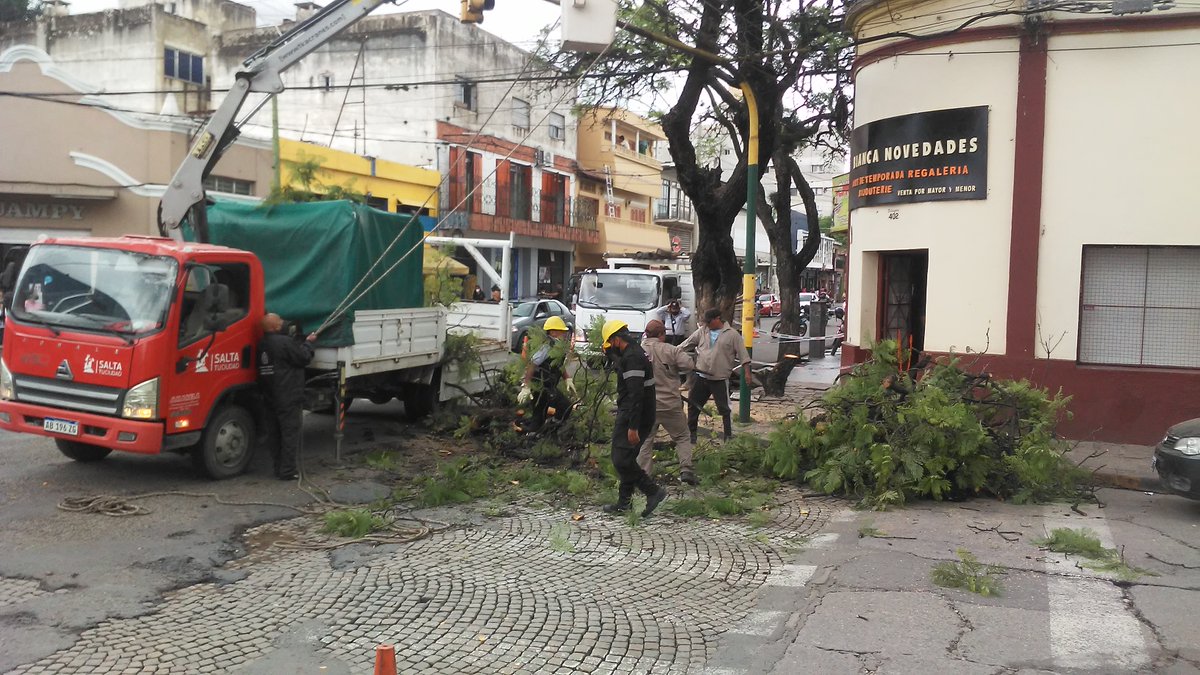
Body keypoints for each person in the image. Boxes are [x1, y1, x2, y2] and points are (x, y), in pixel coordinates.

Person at [599, 319, 668, 517]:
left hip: (634, 414)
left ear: (616, 340)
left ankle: (653, 491)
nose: (611, 348)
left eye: (610, 345)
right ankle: (624, 503)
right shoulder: (633, 353)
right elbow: (625, 371)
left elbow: (636, 394)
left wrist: (633, 426)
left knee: (620, 459)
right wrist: (611, 356)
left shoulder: (633, 358)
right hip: (638, 413)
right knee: (627, 458)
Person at [637, 320, 698, 484]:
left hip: (647, 405)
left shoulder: (638, 351)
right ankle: (686, 470)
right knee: (683, 436)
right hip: (670, 403)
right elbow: (689, 365)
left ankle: (644, 476)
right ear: (662, 334)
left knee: (646, 440)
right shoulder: (671, 350)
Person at [258, 313, 316, 480]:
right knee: (289, 433)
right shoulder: (284, 342)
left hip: (270, 395)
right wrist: (308, 343)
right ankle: (288, 471)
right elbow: (303, 358)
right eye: (281, 321)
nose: (283, 323)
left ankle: (278, 467)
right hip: (288, 395)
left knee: (274, 433)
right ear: (275, 326)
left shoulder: (262, 344)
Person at [681, 308, 752, 443]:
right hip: (701, 377)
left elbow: (744, 356)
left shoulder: (732, 335)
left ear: (717, 319)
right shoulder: (702, 331)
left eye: (709, 322)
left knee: (724, 409)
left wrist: (747, 373)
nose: (707, 324)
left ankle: (728, 436)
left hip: (719, 378)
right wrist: (670, 353)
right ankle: (692, 435)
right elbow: (686, 344)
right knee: (693, 405)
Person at [516, 316, 576, 432]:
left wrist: (567, 379)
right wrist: (526, 386)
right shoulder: (547, 346)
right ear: (553, 332)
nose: (564, 334)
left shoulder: (557, 347)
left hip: (547, 386)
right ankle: (546, 431)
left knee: (539, 416)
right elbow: (532, 364)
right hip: (541, 387)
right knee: (565, 407)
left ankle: (537, 431)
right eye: (561, 331)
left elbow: (558, 365)